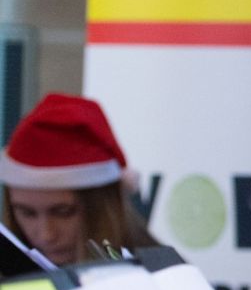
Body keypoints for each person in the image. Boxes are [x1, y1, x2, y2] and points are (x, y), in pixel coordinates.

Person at [0, 93, 152, 267]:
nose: (46, 235)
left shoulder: (166, 281)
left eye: (64, 212)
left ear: (105, 205)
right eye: (27, 213)